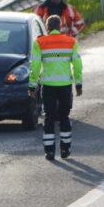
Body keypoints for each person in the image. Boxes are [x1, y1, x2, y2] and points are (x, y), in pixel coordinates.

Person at [30, 15, 82, 160]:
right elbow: (77, 64)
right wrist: (78, 84)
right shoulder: (71, 42)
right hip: (65, 85)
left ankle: (49, 152)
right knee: (64, 117)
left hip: (48, 86)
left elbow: (35, 66)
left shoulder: (40, 42)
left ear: (47, 27)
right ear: (60, 27)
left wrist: (32, 85)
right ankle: (65, 150)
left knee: (49, 118)